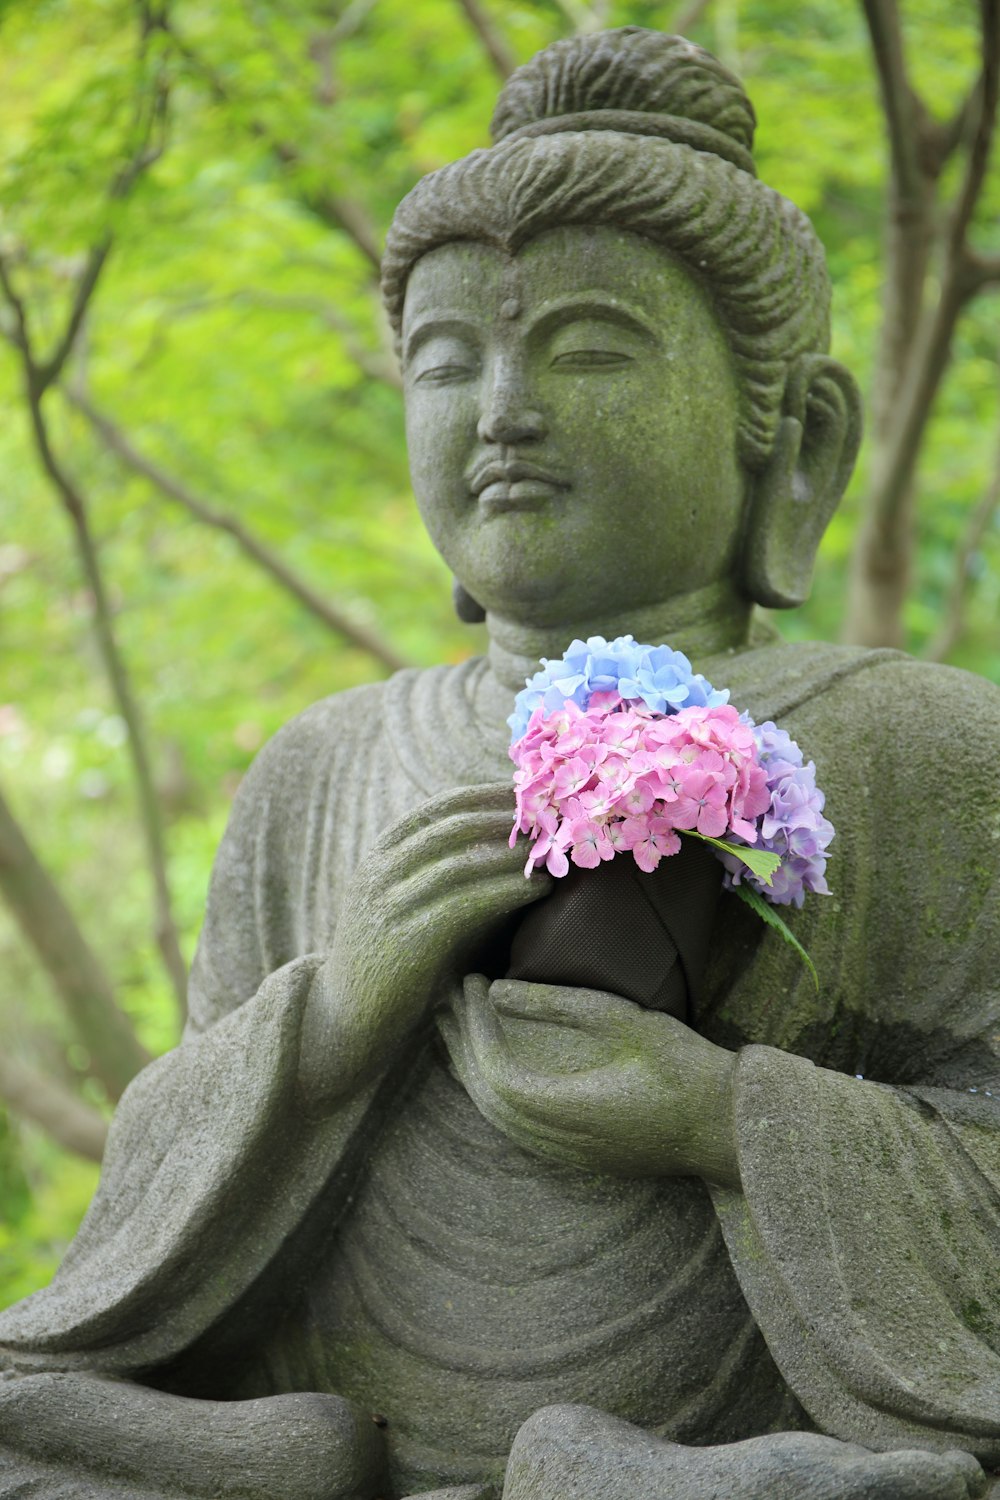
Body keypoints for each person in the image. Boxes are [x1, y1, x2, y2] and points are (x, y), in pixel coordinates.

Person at [1, 28, 999, 1500]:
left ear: (788, 440)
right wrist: (327, 1021)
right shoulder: (322, 765)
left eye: (591, 346)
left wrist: (724, 1118)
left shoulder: (919, 740)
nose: (502, 409)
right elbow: (146, 1212)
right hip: (323, 1433)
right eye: (446, 359)